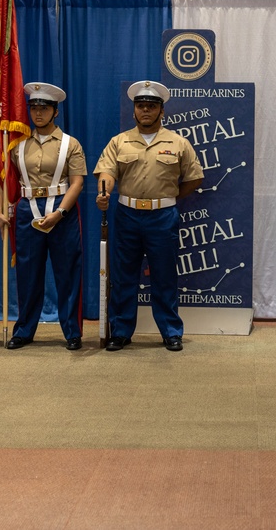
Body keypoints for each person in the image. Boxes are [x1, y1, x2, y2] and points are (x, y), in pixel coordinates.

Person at [94, 80, 204, 352]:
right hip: (127, 215)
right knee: (123, 276)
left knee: (164, 276)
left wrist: (170, 197)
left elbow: (194, 178)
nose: (145, 110)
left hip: (162, 216)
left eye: (151, 106)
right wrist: (103, 191)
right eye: (140, 106)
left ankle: (170, 331)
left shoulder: (178, 142)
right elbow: (107, 172)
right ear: (133, 110)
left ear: (161, 110)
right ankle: (120, 331)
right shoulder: (119, 142)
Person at [0, 82, 86, 350]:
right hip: (27, 211)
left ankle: (72, 331)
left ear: (55, 111)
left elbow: (77, 183)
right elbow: (5, 179)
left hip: (62, 210)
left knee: (67, 273)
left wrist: (59, 213)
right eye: (33, 107)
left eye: (44, 108)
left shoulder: (71, 144)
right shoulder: (17, 145)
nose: (38, 113)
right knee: (28, 273)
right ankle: (24, 330)